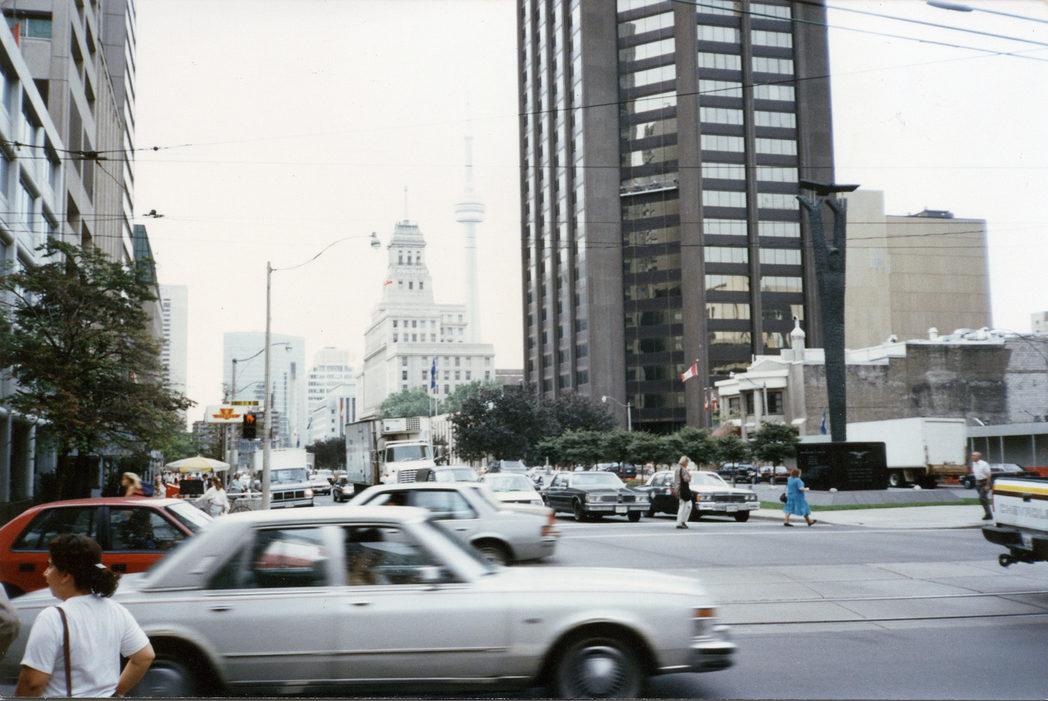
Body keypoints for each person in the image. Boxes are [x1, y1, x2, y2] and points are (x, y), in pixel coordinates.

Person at [15, 534, 155, 697]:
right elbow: (145, 656)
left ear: (66, 575)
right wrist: (116, 693)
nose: (45, 573)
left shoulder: (53, 617)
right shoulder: (115, 610)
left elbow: (33, 683)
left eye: (51, 566)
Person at [971, 451, 994, 521]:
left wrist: (987, 485)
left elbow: (989, 475)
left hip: (985, 482)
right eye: (972, 455)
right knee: (983, 499)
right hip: (978, 483)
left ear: (978, 457)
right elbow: (977, 473)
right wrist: (976, 482)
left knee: (982, 497)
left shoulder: (984, 464)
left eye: (974, 456)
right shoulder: (974, 463)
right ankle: (988, 514)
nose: (972, 457)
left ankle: (989, 514)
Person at [672, 456, 693, 529]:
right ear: (685, 462)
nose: (688, 464)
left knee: (683, 505)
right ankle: (681, 522)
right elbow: (686, 479)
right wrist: (690, 476)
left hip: (678, 489)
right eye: (687, 462)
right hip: (683, 490)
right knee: (687, 506)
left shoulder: (677, 468)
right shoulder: (683, 469)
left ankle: (680, 522)